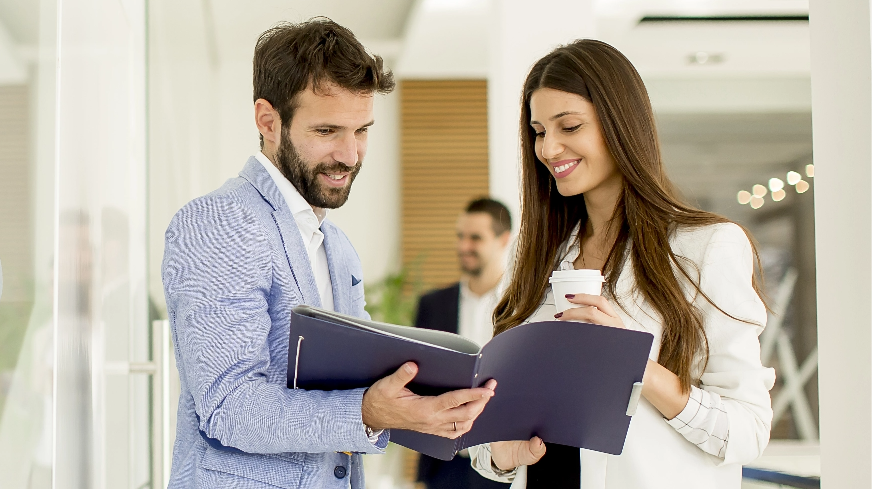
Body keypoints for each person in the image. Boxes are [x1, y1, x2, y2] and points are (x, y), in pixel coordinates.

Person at [162, 19, 495, 489]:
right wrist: (366, 409)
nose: (351, 154)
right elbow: (229, 407)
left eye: (362, 130)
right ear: (267, 120)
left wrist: (475, 432)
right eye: (327, 130)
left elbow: (349, 404)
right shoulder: (221, 223)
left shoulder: (337, 247)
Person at [468, 39, 775, 489]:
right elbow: (493, 428)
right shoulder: (533, 261)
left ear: (620, 126)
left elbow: (747, 429)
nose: (549, 149)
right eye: (538, 132)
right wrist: (499, 453)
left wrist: (636, 364)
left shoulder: (705, 247)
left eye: (569, 126)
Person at [415, 197, 512, 489]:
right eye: (460, 237)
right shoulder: (432, 305)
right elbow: (418, 385)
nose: (464, 246)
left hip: (504, 463)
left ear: (503, 240)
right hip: (446, 465)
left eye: (475, 238)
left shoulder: (523, 306)